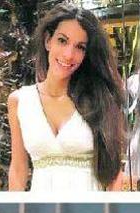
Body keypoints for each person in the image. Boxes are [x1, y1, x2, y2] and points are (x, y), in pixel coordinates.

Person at [7, 3, 125, 192]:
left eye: (80, 47)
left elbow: (114, 175)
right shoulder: (19, 101)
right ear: (48, 41)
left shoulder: (100, 99)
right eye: (62, 40)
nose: (69, 54)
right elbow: (18, 170)